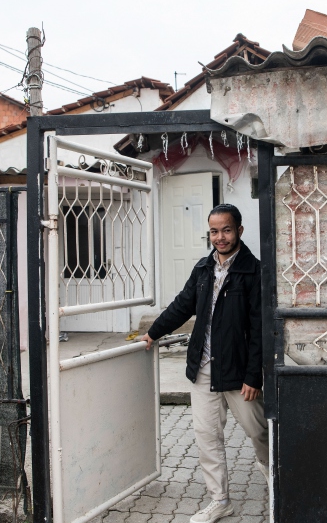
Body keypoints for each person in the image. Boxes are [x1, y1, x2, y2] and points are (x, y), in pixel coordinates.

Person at [141, 203, 268, 523]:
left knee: (258, 431)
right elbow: (182, 306)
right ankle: (220, 499)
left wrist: (254, 375)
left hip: (239, 373)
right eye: (214, 231)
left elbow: (260, 328)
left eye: (226, 230)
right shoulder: (202, 269)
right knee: (207, 437)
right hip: (203, 368)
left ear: (239, 230)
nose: (220, 237)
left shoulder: (255, 271)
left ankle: (272, 475)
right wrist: (153, 333)